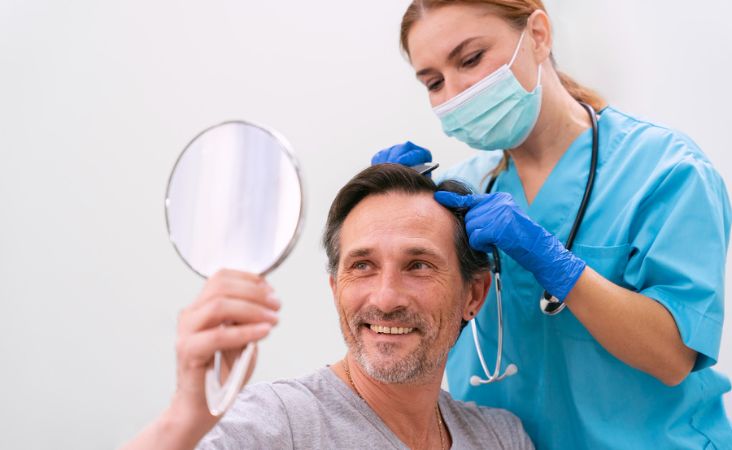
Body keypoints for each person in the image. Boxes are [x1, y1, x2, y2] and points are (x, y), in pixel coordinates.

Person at [371, 1, 732, 448]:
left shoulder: (666, 171)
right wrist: (390, 219)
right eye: (434, 82)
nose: (455, 93)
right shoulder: (461, 193)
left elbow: (674, 356)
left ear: (538, 35)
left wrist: (554, 262)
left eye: (470, 59)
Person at [122, 164, 534, 450]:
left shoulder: (500, 439)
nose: (386, 298)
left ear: (473, 295)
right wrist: (187, 414)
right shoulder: (279, 424)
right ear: (336, 287)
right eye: (363, 266)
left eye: (419, 265)